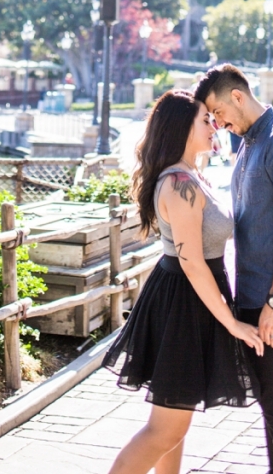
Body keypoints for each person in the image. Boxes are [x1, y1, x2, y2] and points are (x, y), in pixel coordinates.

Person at [104, 90, 262, 474]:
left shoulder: (192, 174)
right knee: (166, 428)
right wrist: (233, 323)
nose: (214, 126)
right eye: (205, 120)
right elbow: (192, 262)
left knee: (176, 420)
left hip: (192, 298)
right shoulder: (178, 183)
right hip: (183, 301)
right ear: (181, 129)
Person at [195, 65, 273, 474]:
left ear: (237, 96)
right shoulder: (247, 142)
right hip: (254, 295)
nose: (218, 123)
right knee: (271, 403)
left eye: (217, 113)